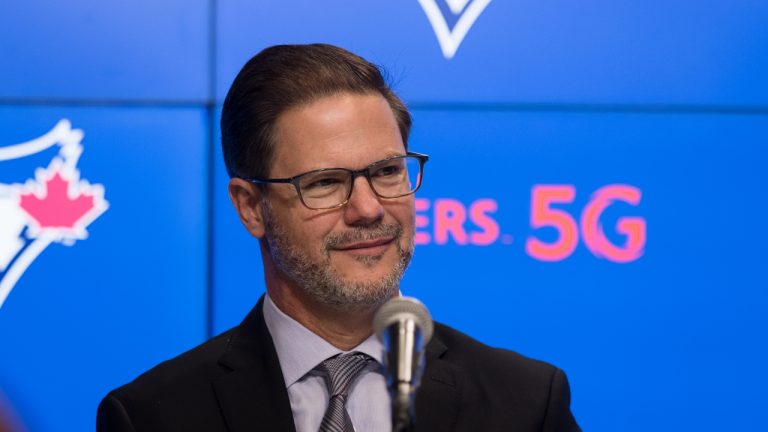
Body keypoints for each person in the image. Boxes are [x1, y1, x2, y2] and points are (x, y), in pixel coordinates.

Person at [97, 44, 581, 432]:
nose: (368, 209)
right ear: (251, 207)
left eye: (388, 171)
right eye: (325, 182)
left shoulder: (526, 403)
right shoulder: (153, 416)